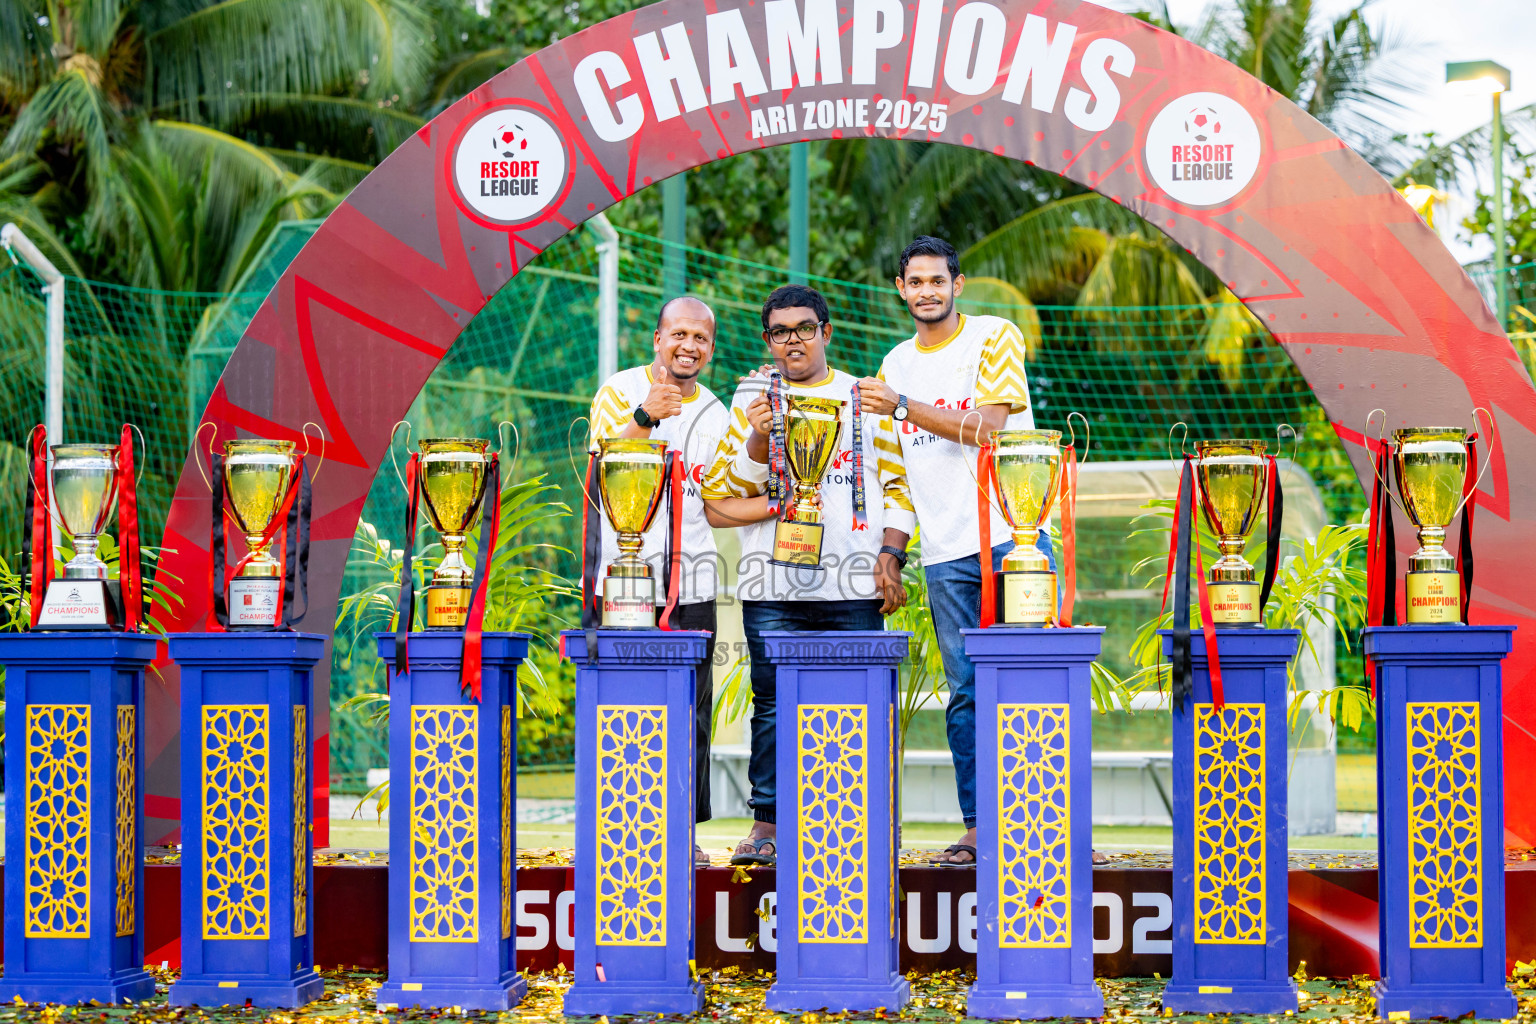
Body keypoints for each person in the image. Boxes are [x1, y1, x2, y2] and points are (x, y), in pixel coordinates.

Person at [703, 283, 914, 867]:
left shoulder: (863, 397)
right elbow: (722, 494)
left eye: (803, 328)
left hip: (851, 584)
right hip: (772, 585)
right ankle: (766, 826)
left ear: (826, 331)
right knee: (769, 705)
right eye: (780, 332)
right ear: (768, 341)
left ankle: (863, 823)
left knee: (862, 703)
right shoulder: (753, 394)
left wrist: (891, 555)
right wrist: (755, 435)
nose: (792, 339)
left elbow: (898, 488)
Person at [855, 236, 1047, 866]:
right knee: (965, 692)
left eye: (938, 280)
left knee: (1029, 683)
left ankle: (1044, 823)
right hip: (942, 555)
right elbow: (895, 477)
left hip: (1011, 542)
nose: (927, 292)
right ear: (901, 290)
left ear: (957, 285)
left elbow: (991, 429)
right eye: (915, 282)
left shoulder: (993, 336)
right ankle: (979, 827)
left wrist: (906, 406)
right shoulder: (892, 366)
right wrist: (892, 553)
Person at [588, 295, 729, 865]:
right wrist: (646, 416)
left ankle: (684, 836)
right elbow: (599, 477)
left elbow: (720, 498)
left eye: (700, 338)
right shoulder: (619, 392)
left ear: (711, 348)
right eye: (679, 334)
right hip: (623, 582)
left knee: (691, 711)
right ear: (657, 338)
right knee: (620, 705)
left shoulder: (718, 411)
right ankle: (620, 829)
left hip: (692, 582)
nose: (688, 345)